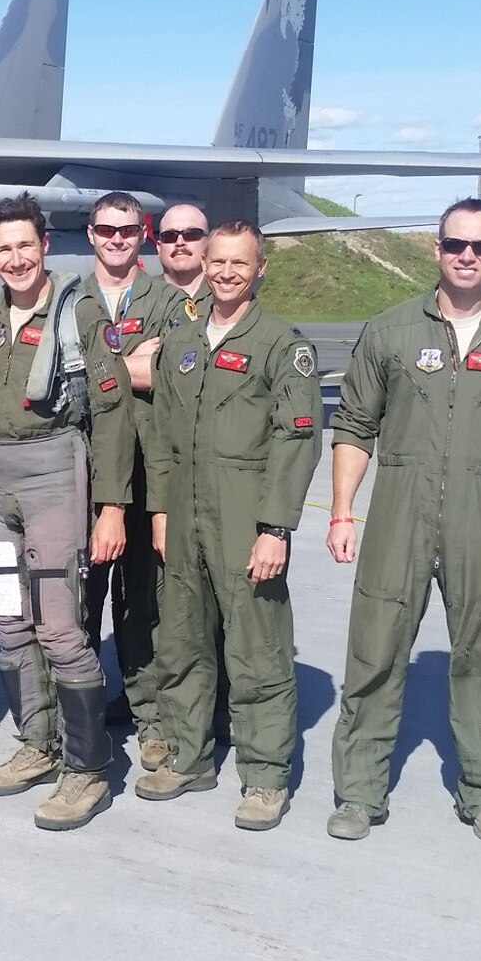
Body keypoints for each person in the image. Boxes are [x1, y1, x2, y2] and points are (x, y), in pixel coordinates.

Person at [325, 198, 481, 846]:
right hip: (399, 506)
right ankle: (358, 791)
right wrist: (343, 511)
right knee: (374, 649)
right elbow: (353, 423)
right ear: (436, 249)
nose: (467, 255)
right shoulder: (391, 329)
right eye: (456, 244)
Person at [0, 194, 133, 831]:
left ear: (45, 245)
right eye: (2, 249)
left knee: (59, 626)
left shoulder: (80, 311)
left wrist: (111, 508)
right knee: (10, 623)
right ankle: (38, 743)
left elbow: (113, 417)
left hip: (56, 473)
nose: (14, 259)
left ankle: (87, 769)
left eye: (24, 245)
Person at [140, 220, 321, 830]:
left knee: (258, 649)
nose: (225, 272)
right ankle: (191, 757)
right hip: (185, 517)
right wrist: (160, 510)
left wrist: (276, 527)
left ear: (260, 268)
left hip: (246, 518)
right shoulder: (184, 341)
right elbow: (161, 435)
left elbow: (296, 441)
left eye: (239, 264)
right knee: (183, 641)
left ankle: (266, 776)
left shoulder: (280, 344)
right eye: (217, 261)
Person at [79, 192, 184, 771]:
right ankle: (81, 710)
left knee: (142, 603)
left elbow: (169, 372)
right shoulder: (70, 301)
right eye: (106, 230)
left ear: (141, 236)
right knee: (78, 602)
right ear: (90, 234)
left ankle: (150, 718)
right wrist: (129, 364)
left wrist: (99, 368)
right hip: (81, 472)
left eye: (127, 230)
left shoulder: (168, 301)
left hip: (147, 473)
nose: (117, 239)